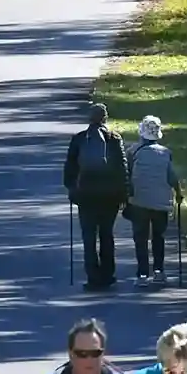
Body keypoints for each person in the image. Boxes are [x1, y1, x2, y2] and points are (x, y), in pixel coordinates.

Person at [63, 103, 129, 290]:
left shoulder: (79, 139)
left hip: (86, 195)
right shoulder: (114, 138)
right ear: (105, 118)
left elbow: (70, 167)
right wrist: (124, 193)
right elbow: (122, 167)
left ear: (89, 118)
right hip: (110, 196)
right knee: (107, 235)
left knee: (89, 237)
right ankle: (108, 275)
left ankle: (93, 277)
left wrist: (72, 190)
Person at [127, 115, 181, 286]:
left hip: (139, 202)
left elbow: (126, 176)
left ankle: (142, 274)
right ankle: (159, 271)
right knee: (159, 237)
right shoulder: (166, 153)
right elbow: (172, 177)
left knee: (140, 238)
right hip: (161, 202)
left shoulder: (133, 151)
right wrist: (179, 193)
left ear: (141, 133)